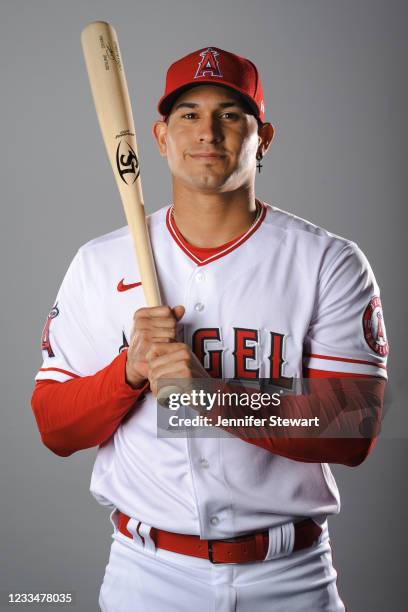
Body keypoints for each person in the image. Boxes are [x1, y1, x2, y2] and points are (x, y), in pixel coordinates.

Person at [31, 46, 388, 611]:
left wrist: (215, 397)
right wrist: (128, 373)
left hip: (289, 578)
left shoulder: (327, 262)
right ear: (159, 136)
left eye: (229, 114)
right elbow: (54, 426)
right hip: (146, 574)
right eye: (189, 115)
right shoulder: (99, 263)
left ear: (262, 137)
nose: (207, 132)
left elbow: (354, 427)